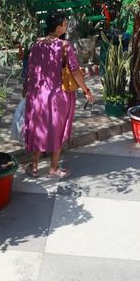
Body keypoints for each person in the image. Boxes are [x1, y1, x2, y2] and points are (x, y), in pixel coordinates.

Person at [23, 12, 92, 178]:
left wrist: (25, 88)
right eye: (65, 24)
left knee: (38, 128)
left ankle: (34, 166)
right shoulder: (64, 46)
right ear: (59, 27)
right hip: (57, 96)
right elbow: (75, 72)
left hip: (37, 94)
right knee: (56, 131)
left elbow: (29, 69)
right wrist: (86, 90)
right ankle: (53, 169)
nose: (67, 26)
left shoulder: (36, 44)